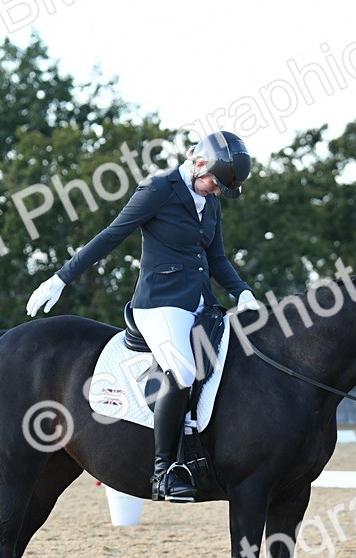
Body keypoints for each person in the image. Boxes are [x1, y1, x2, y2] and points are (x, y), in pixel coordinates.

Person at [26, 131, 261, 502]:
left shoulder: (211, 202)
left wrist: (243, 292)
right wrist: (60, 278)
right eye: (215, 183)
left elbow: (216, 258)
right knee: (182, 371)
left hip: (201, 302)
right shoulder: (158, 189)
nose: (216, 191)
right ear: (199, 163)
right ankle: (165, 471)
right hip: (160, 303)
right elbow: (111, 235)